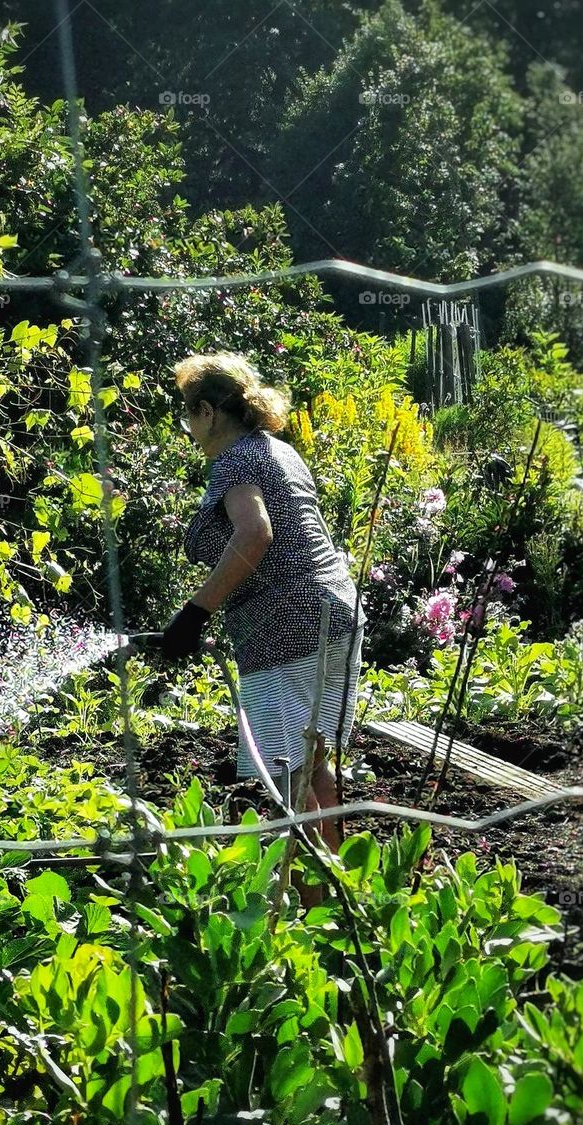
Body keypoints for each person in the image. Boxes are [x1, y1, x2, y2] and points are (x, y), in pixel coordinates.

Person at [159, 351, 367, 909]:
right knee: (313, 764)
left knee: (287, 780)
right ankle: (340, 906)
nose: (189, 430)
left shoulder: (233, 461)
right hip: (332, 615)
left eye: (188, 415)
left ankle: (305, 909)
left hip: (285, 630)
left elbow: (255, 535)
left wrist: (194, 612)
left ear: (206, 412)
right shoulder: (278, 451)